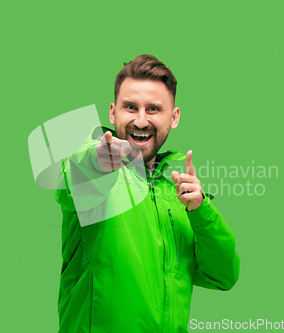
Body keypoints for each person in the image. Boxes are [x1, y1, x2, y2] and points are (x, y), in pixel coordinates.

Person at [55, 54, 240, 333]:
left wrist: (201, 210)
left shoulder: (180, 198)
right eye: (130, 107)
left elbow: (223, 275)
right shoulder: (94, 173)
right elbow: (74, 177)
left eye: (153, 109)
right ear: (112, 113)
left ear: (174, 117)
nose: (141, 121)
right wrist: (98, 162)